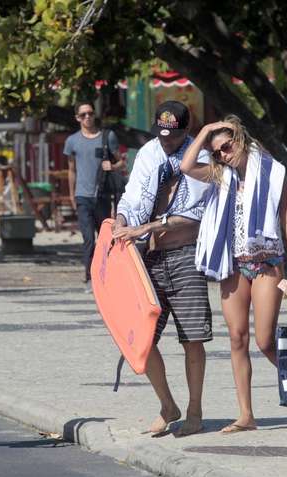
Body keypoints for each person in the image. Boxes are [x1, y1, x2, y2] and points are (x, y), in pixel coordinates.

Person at [180, 115, 287, 432]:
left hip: (267, 264)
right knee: (237, 339)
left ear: (240, 139)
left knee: (265, 341)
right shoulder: (220, 177)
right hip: (232, 264)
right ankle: (246, 415)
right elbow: (185, 166)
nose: (223, 153)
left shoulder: (274, 174)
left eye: (227, 145)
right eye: (217, 151)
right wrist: (206, 132)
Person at [112, 101, 213, 437]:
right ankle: (168, 405)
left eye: (174, 136)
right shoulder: (148, 153)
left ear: (186, 130)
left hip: (186, 254)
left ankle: (195, 411)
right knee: (141, 338)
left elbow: (197, 212)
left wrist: (148, 227)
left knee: (193, 338)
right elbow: (132, 195)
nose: (167, 141)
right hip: (150, 259)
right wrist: (123, 220)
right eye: (163, 135)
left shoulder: (199, 155)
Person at [63, 101, 126, 293]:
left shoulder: (108, 137)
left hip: (103, 195)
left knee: (105, 239)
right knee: (88, 239)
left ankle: (107, 275)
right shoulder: (72, 141)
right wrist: (71, 194)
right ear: (77, 118)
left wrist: (113, 166)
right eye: (83, 115)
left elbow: (121, 163)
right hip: (83, 196)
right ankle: (90, 277)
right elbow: (71, 170)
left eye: (90, 113)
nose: (87, 117)